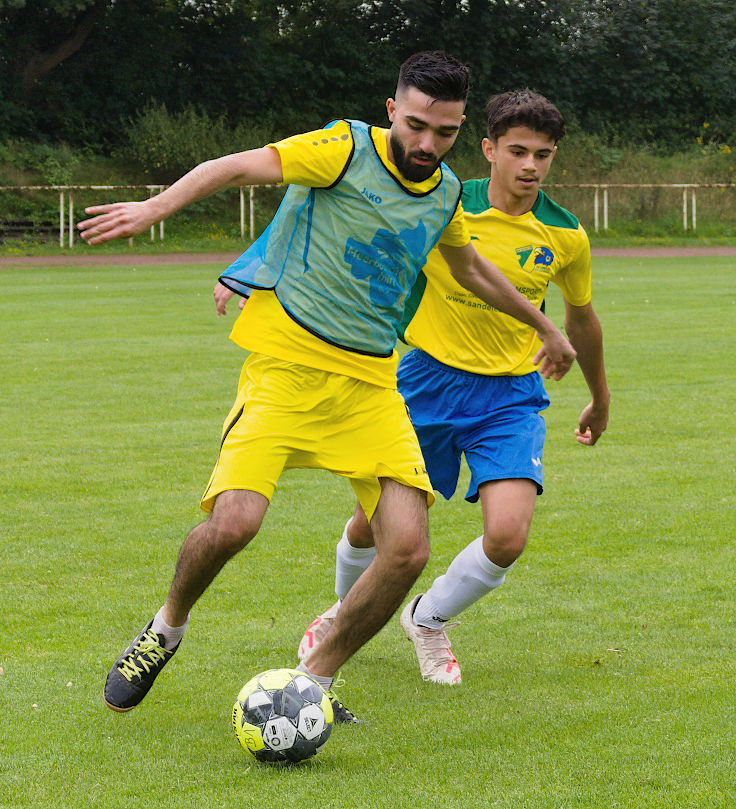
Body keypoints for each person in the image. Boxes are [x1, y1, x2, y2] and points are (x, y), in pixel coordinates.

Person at [77, 57, 576, 722]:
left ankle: (313, 678)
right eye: (418, 125)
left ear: (462, 130)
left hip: (370, 385)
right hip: (286, 368)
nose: (428, 144)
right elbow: (236, 167)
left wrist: (548, 326)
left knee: (407, 548)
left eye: (446, 132)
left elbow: (472, 269)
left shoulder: (447, 193)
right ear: (393, 110)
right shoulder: (344, 147)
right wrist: (157, 207)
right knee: (233, 525)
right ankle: (165, 627)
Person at [298, 89, 609, 685]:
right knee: (374, 525)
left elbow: (581, 321)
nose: (530, 166)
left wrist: (600, 395)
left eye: (543, 155)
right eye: (517, 151)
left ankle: (427, 616)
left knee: (508, 534)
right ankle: (340, 615)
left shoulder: (564, 236)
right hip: (425, 383)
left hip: (511, 395)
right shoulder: (440, 200)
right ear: (488, 149)